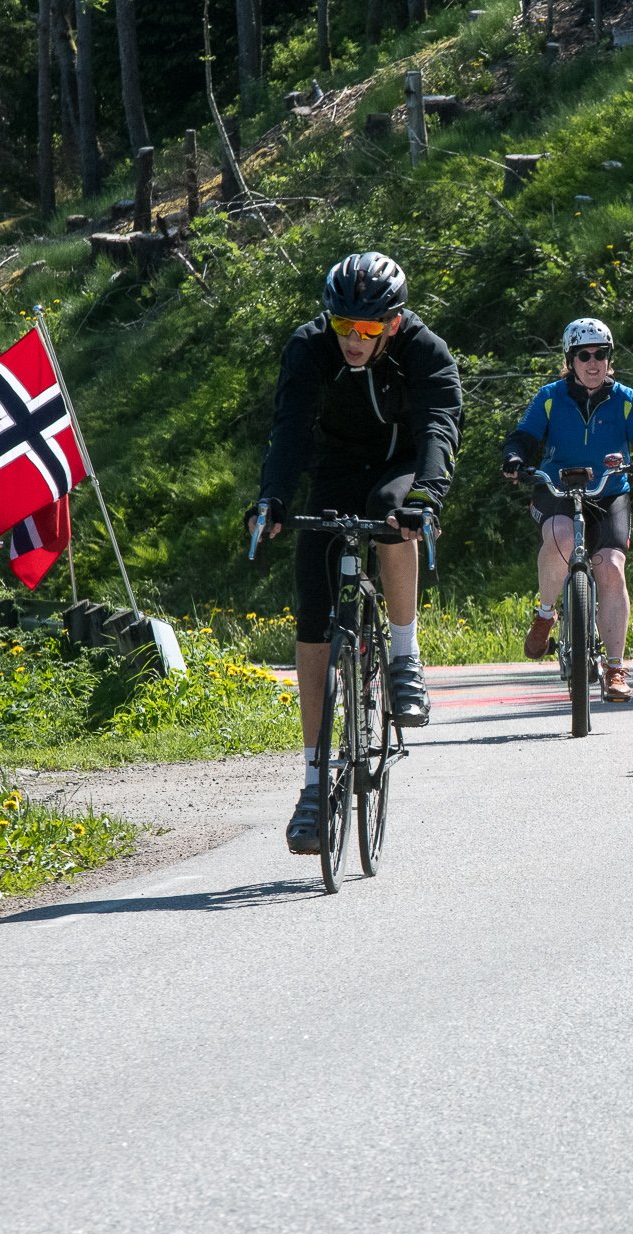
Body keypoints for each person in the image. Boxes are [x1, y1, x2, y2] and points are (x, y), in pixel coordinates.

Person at [252, 251, 462, 855]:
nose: (352, 339)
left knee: (395, 517)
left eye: (367, 330)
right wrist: (271, 497)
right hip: (335, 468)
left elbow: (438, 428)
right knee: (313, 616)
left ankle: (403, 653)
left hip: (402, 467)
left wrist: (427, 494)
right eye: (343, 325)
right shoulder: (310, 346)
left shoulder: (426, 351)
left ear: (393, 324)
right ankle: (315, 783)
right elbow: (289, 425)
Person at [502, 318, 633, 704]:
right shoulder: (549, 396)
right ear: (570, 359)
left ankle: (615, 667)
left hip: (609, 491)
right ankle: (545, 614)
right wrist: (514, 458)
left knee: (609, 565)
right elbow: (523, 436)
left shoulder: (627, 398)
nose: (593, 362)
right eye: (584, 355)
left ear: (610, 358)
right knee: (560, 537)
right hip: (557, 488)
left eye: (601, 354)